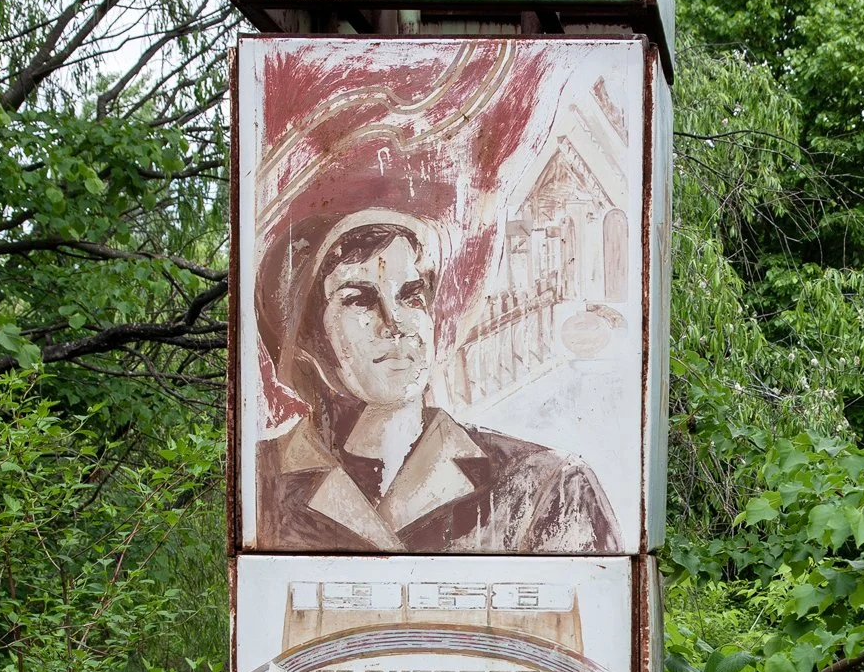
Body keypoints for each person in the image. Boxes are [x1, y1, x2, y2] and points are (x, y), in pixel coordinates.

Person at [255, 209, 621, 553]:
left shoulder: (547, 484)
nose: (394, 323)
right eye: (359, 301)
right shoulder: (261, 480)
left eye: (411, 296)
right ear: (308, 337)